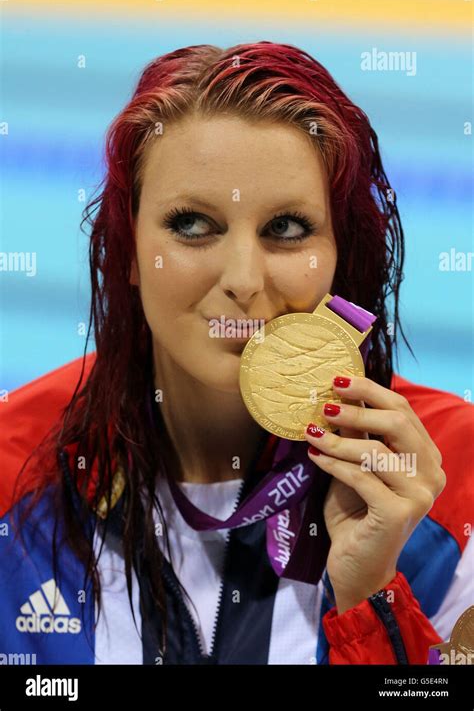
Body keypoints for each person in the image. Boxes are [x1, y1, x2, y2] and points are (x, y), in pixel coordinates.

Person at [1, 41, 472, 665]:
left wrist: (371, 599)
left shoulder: (453, 478)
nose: (243, 279)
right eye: (193, 225)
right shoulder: (16, 470)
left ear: (339, 256)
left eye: (286, 228)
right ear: (129, 250)